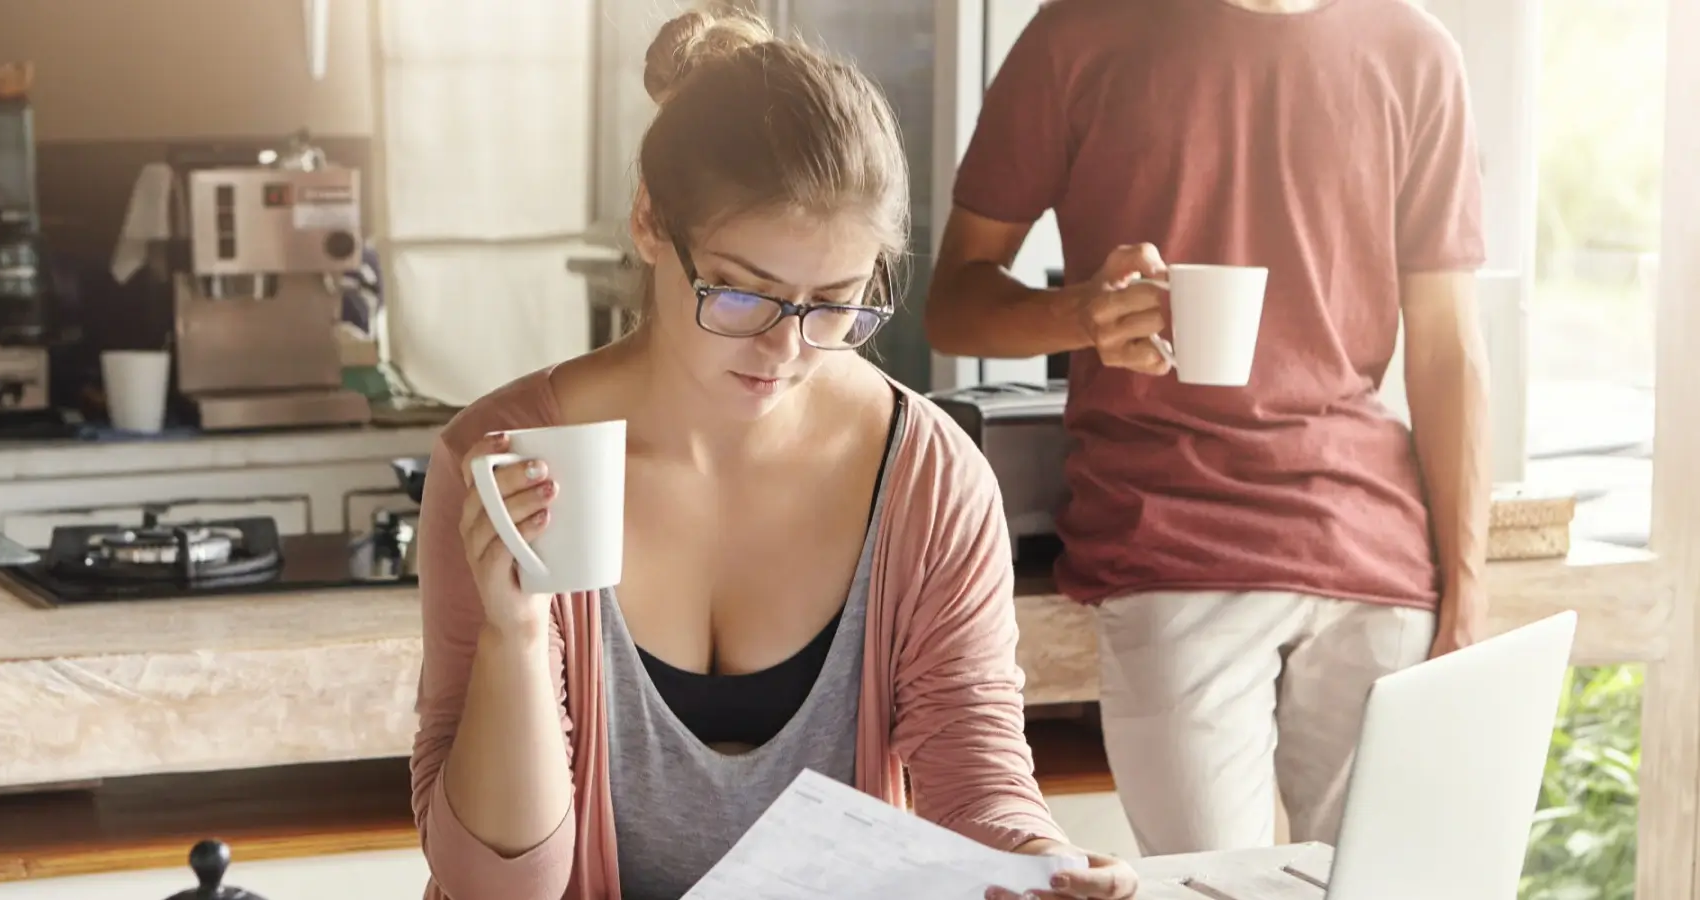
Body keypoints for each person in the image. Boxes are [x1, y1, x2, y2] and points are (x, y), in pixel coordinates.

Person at [409, 11, 1138, 900]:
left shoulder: (928, 478)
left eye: (834, 303)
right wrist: (515, 634)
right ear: (649, 220)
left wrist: (1038, 863)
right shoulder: (505, 461)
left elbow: (975, 774)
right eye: (742, 293)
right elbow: (494, 889)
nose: (785, 348)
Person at [925, 0, 1492, 858]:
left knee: (1390, 881)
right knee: (1214, 887)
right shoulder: (1080, 34)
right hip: (1172, 547)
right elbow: (952, 304)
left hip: (1376, 561)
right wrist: (1084, 317)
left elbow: (1449, 350)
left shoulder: (1417, 52)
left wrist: (1467, 602)